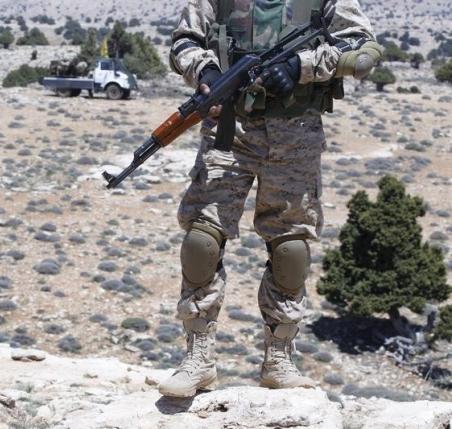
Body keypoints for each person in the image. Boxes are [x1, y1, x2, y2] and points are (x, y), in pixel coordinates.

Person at [159, 0, 381, 397]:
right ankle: (198, 359)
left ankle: (279, 357)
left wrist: (302, 68)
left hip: (296, 132)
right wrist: (207, 70)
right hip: (229, 127)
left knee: (290, 246)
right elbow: (183, 43)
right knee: (201, 240)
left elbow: (362, 48)